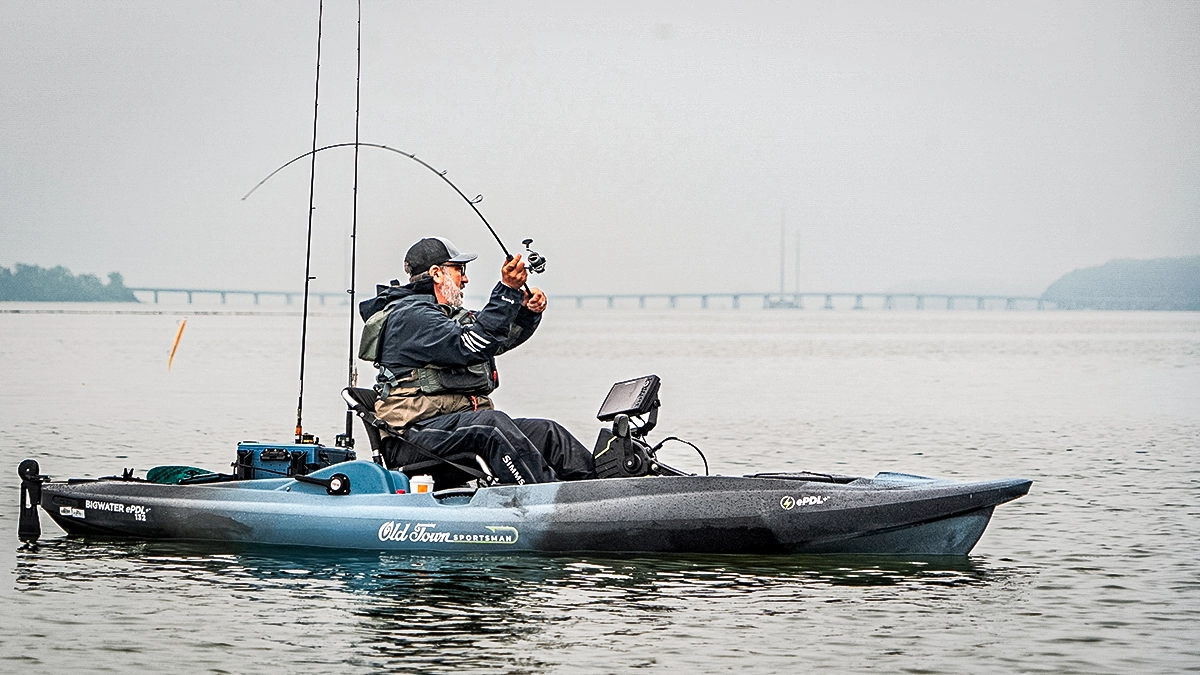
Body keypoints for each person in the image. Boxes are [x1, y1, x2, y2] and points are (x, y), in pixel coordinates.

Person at [358, 236, 595, 485]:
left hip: (451, 427)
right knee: (493, 426)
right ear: (436, 273)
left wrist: (525, 311)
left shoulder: (445, 316)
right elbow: (472, 345)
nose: (466, 278)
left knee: (548, 433)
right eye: (459, 270)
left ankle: (602, 494)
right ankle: (550, 502)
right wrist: (507, 291)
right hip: (413, 437)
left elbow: (496, 339)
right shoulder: (412, 317)